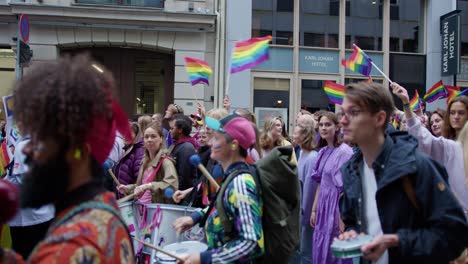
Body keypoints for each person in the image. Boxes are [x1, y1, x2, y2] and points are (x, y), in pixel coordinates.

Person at [11, 54, 135, 263]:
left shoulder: (68, 249)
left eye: (39, 141)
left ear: (79, 152)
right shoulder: (103, 208)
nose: (26, 151)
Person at [338, 82, 468, 263]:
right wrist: (353, 234)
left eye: (353, 113)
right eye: (342, 113)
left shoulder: (416, 167)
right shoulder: (350, 170)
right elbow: (354, 220)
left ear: (380, 118)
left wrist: (399, 241)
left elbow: (455, 233)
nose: (343, 120)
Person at [173, 114, 263, 264]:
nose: (210, 143)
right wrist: (195, 218)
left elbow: (250, 243)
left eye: (216, 138)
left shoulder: (241, 183)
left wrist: (203, 258)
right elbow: (221, 205)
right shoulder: (232, 176)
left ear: (233, 145)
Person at [390, 83, 468, 218]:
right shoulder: (448, 146)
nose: (456, 117)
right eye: (452, 113)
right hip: (455, 218)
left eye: (461, 113)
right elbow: (422, 136)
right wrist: (406, 103)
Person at [309, 112, 353, 264]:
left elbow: (347, 188)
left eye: (328, 124)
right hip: (323, 206)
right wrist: (314, 209)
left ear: (337, 127)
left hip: (336, 208)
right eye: (321, 125)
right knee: (322, 246)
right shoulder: (322, 152)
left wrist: (342, 218)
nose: (323, 128)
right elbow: (321, 183)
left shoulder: (345, 151)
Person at [5, 137, 54, 259]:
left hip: (28, 218)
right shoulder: (52, 142)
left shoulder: (25, 145)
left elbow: (25, 180)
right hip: (45, 214)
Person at [118, 122, 178, 204]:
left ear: (161, 139)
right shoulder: (144, 161)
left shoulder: (166, 161)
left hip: (157, 210)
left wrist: (150, 185)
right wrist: (127, 188)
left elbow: (172, 184)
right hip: (141, 208)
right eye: (146, 137)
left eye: (153, 136)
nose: (149, 139)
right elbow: (140, 186)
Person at [291, 114, 318, 264]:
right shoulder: (301, 153)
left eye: (296, 133)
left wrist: (305, 217)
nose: (293, 135)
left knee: (306, 252)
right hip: (298, 212)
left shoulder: (312, 157)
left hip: (305, 215)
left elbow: (309, 190)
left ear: (304, 136)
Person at [168, 114, 198, 195]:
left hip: (180, 195)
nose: (169, 131)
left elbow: (185, 177)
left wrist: (177, 193)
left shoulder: (186, 148)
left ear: (180, 130)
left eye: (172, 128)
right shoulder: (176, 145)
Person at [114, 122, 145, 199]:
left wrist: (129, 192)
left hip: (131, 200)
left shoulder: (139, 153)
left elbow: (139, 180)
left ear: (136, 135)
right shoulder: (129, 150)